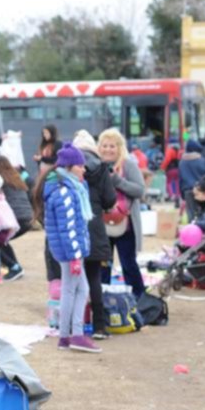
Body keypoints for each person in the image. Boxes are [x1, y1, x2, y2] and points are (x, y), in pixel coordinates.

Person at [39, 143, 98, 353]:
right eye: (81, 165)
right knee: (72, 291)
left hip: (68, 250)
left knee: (78, 289)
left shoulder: (66, 187)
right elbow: (68, 227)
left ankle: (68, 335)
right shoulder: (65, 191)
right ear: (71, 166)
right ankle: (74, 334)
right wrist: (74, 256)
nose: (84, 169)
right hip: (70, 252)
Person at [72, 131, 117, 340]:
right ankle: (99, 326)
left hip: (72, 228)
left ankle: (74, 326)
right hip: (95, 228)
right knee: (94, 277)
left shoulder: (68, 168)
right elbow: (110, 199)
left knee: (71, 279)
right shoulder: (101, 168)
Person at [98, 129, 147, 298]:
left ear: (119, 148)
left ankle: (139, 299)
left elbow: (140, 190)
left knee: (128, 264)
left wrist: (118, 181)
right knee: (103, 265)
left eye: (112, 146)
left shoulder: (128, 164)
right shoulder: (96, 165)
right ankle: (102, 302)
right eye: (104, 145)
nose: (108, 149)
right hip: (102, 224)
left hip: (126, 225)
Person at [0, 155, 34, 281]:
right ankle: (14, 266)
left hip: (15, 218)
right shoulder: (17, 178)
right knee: (2, 240)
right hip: (28, 218)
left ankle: (14, 267)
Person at [179, 140, 205, 222]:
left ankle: (193, 229)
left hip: (187, 190)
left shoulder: (182, 162)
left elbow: (181, 179)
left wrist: (182, 193)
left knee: (191, 213)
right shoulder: (202, 161)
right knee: (203, 211)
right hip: (201, 190)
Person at [160, 138, 182, 206]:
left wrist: (162, 168)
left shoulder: (170, 150)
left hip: (170, 169)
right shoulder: (180, 151)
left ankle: (171, 195)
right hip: (178, 169)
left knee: (168, 182)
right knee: (177, 182)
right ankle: (178, 195)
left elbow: (167, 160)